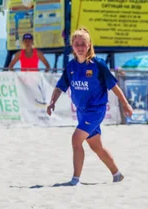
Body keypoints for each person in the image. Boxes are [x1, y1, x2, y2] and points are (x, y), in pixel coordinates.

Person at [46, 27, 133, 186]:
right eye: (76, 43)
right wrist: (52, 102)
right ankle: (117, 174)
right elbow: (60, 87)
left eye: (83, 44)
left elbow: (114, 86)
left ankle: (75, 180)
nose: (80, 47)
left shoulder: (98, 64)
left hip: (96, 110)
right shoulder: (71, 66)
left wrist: (126, 104)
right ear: (72, 45)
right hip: (82, 112)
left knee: (75, 140)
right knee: (96, 146)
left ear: (89, 45)